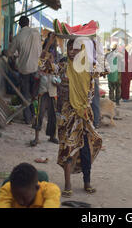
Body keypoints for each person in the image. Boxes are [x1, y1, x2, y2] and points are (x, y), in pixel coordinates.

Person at [57, 39, 102, 197]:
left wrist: (95, 50)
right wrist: (48, 45)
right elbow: (43, 66)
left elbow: (105, 70)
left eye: (75, 49)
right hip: (69, 115)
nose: (71, 51)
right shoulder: (63, 66)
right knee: (69, 150)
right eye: (69, 48)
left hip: (85, 116)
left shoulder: (89, 66)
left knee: (85, 151)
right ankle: (68, 184)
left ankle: (87, 182)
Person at [4, 16, 42, 124]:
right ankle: (34, 115)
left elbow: (10, 52)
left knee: (24, 95)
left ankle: (28, 118)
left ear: (19, 25)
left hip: (24, 69)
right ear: (28, 23)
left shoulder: (18, 37)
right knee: (33, 94)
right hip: (36, 68)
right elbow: (40, 50)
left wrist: (4, 52)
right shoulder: (36, 33)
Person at [30, 58, 59, 146]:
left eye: (50, 61)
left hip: (52, 96)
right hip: (42, 95)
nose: (49, 63)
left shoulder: (55, 70)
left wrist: (56, 81)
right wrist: (34, 95)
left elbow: (59, 82)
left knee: (53, 116)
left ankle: (52, 136)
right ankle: (36, 138)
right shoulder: (41, 70)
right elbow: (36, 80)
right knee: (39, 115)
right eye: (47, 61)